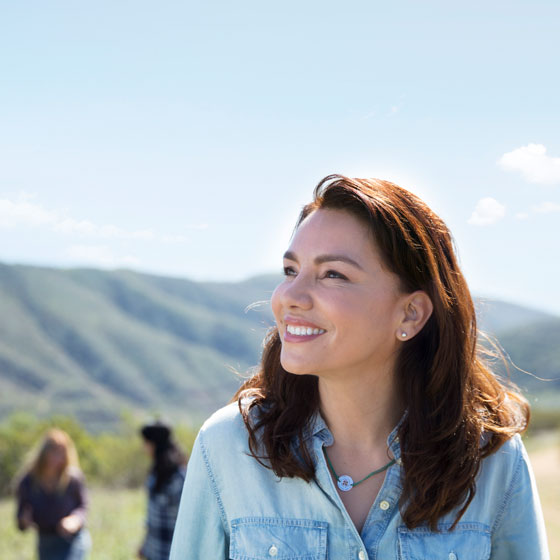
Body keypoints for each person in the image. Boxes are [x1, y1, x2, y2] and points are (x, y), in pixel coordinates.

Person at [170, 174, 549, 559]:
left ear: (410, 314)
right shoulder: (229, 446)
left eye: (333, 274)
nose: (290, 297)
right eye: (290, 271)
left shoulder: (492, 461)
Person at [15, 428, 91, 560]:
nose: (58, 458)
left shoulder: (73, 479)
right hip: (46, 541)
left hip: (72, 541)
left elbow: (82, 506)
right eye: (54, 452)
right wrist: (24, 520)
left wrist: (74, 520)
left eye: (62, 454)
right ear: (44, 453)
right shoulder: (28, 482)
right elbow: (21, 517)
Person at [138, 420, 187, 560]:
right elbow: (153, 517)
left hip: (173, 552)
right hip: (155, 550)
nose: (144, 447)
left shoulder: (178, 477)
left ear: (154, 444)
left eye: (146, 442)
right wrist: (145, 546)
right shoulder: (156, 473)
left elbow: (184, 521)